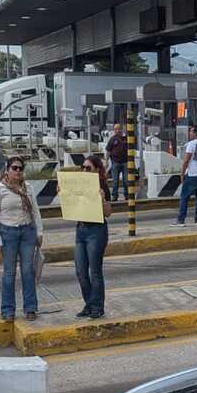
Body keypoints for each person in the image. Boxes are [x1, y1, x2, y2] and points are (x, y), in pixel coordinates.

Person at [0, 157, 44, 322]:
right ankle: (7, 311)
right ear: (7, 170)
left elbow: (35, 210)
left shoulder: (28, 188)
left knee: (28, 271)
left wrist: (39, 231)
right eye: (14, 168)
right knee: (9, 273)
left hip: (27, 231)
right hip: (8, 234)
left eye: (20, 168)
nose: (18, 171)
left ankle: (30, 308)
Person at [74, 154, 112, 320]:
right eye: (82, 167)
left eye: (88, 167)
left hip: (96, 230)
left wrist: (102, 198)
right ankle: (89, 304)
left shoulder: (101, 185)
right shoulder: (79, 185)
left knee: (94, 271)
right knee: (81, 271)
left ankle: (97, 306)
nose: (84, 170)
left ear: (97, 169)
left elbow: (108, 213)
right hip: (81, 229)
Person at [174, 125, 197, 226]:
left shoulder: (191, 144)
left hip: (192, 174)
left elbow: (186, 160)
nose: (190, 133)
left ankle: (181, 220)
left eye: (191, 131)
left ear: (195, 133)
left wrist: (182, 174)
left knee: (184, 197)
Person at [104, 123, 128, 202]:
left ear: (121, 129)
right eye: (115, 129)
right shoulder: (112, 139)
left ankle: (127, 196)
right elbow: (108, 151)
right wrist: (106, 161)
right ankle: (114, 196)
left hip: (125, 162)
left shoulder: (126, 138)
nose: (117, 130)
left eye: (118, 128)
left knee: (126, 181)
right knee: (115, 181)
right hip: (115, 162)